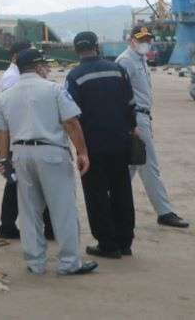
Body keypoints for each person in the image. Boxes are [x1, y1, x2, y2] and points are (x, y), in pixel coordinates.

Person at [0, 48, 96, 276]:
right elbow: (71, 123)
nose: (47, 69)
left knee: (29, 211)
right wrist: (82, 152)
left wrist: (4, 159)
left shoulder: (6, 95)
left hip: (20, 154)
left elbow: (3, 132)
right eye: (45, 65)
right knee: (63, 209)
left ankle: (35, 262)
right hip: (51, 153)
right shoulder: (53, 89)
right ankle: (69, 262)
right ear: (38, 66)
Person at [65, 31, 136, 258]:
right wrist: (130, 128)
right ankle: (125, 242)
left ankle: (107, 244)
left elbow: (71, 115)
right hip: (120, 142)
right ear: (97, 46)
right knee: (121, 190)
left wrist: (79, 148)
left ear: (76, 50)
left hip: (92, 146)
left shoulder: (74, 76)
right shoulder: (118, 69)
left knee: (96, 195)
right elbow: (130, 104)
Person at [117, 25, 189, 228]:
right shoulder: (125, 61)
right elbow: (120, 96)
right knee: (149, 165)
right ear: (131, 40)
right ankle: (164, 212)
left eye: (148, 39)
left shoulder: (141, 59)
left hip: (143, 118)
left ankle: (112, 205)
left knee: (130, 167)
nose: (145, 43)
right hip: (136, 119)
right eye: (141, 40)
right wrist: (131, 124)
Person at [0, 39, 53, 240]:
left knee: (17, 184)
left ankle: (8, 225)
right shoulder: (13, 78)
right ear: (16, 57)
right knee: (28, 183)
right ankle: (42, 227)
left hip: (20, 137)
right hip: (22, 137)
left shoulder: (13, 75)